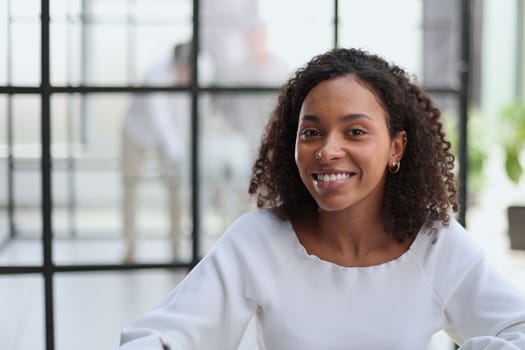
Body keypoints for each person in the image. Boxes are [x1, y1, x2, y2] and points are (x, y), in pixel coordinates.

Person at [119, 48, 525, 349]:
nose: (327, 150)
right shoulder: (260, 239)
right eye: (311, 132)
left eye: (355, 132)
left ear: (396, 147)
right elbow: (166, 335)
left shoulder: (435, 244)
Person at [121, 42, 192, 263]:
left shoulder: (200, 70)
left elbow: (188, 115)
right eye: (182, 70)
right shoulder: (158, 75)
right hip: (137, 132)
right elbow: (160, 119)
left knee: (176, 188)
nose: (185, 75)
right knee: (131, 186)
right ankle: (130, 249)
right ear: (175, 64)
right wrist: (177, 150)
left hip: (170, 136)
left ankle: (176, 251)